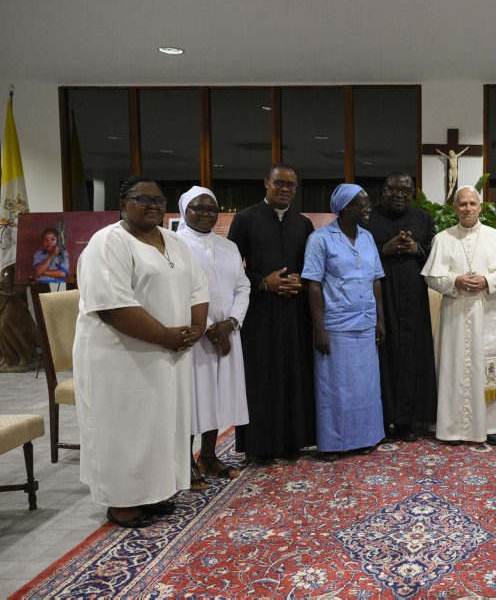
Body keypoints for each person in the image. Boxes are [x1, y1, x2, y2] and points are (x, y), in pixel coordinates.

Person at [73, 176, 209, 528]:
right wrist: (165, 336)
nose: (153, 205)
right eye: (143, 199)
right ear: (123, 204)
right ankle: (122, 502)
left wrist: (196, 328)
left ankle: (153, 492)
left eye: (159, 200)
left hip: (169, 352)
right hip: (121, 356)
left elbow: (198, 289)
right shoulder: (108, 242)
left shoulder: (174, 241)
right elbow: (112, 307)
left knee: (160, 425)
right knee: (125, 428)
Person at [228, 163, 315, 463]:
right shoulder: (245, 219)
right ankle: (261, 446)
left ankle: (293, 441)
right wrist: (264, 282)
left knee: (294, 373)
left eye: (291, 185)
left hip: (295, 311)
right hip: (260, 312)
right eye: (279, 183)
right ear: (266, 183)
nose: (285, 189)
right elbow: (231, 266)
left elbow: (312, 265)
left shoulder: (303, 224)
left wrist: (302, 281)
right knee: (262, 376)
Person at [422, 185, 496, 446]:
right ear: (455, 208)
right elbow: (431, 277)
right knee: (454, 368)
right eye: (462, 204)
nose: (467, 208)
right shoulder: (442, 238)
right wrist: (455, 280)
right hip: (455, 313)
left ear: (480, 207)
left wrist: (487, 280)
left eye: (472, 204)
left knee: (488, 368)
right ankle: (452, 428)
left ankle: (493, 425)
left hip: (489, 312)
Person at [303, 184, 386, 459]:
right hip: (336, 325)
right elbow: (313, 284)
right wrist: (319, 328)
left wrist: (380, 320)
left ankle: (366, 437)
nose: (368, 209)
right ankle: (333, 443)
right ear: (345, 208)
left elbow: (376, 280)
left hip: (366, 321)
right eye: (363, 205)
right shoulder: (320, 239)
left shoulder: (368, 237)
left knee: (365, 387)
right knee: (335, 387)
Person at [177, 187, 249, 486]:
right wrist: (210, 328)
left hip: (228, 332)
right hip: (194, 335)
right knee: (193, 398)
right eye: (198, 207)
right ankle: (183, 463)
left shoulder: (228, 246)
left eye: (211, 208)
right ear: (184, 210)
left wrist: (231, 322)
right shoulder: (174, 245)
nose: (206, 213)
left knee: (217, 396)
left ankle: (207, 456)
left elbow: (243, 286)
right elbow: (179, 290)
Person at [364, 172, 437, 442]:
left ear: (412, 193)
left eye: (406, 191)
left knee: (411, 355)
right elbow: (357, 252)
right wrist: (386, 249)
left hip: (413, 296)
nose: (399, 194)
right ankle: (382, 420)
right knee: (383, 356)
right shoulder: (369, 217)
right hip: (379, 296)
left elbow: (434, 251)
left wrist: (416, 248)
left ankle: (406, 420)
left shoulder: (423, 218)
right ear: (383, 190)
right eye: (393, 189)